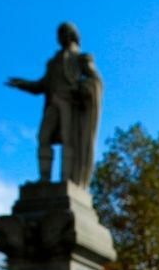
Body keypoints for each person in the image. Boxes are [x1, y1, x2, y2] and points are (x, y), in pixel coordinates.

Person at [6, 22, 103, 188]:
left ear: (71, 35)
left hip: (70, 104)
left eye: (63, 33)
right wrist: (22, 83)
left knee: (68, 141)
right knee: (43, 137)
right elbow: (41, 85)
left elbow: (95, 80)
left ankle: (67, 180)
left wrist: (83, 89)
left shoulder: (81, 58)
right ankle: (44, 179)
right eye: (59, 34)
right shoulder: (53, 62)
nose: (60, 37)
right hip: (53, 104)